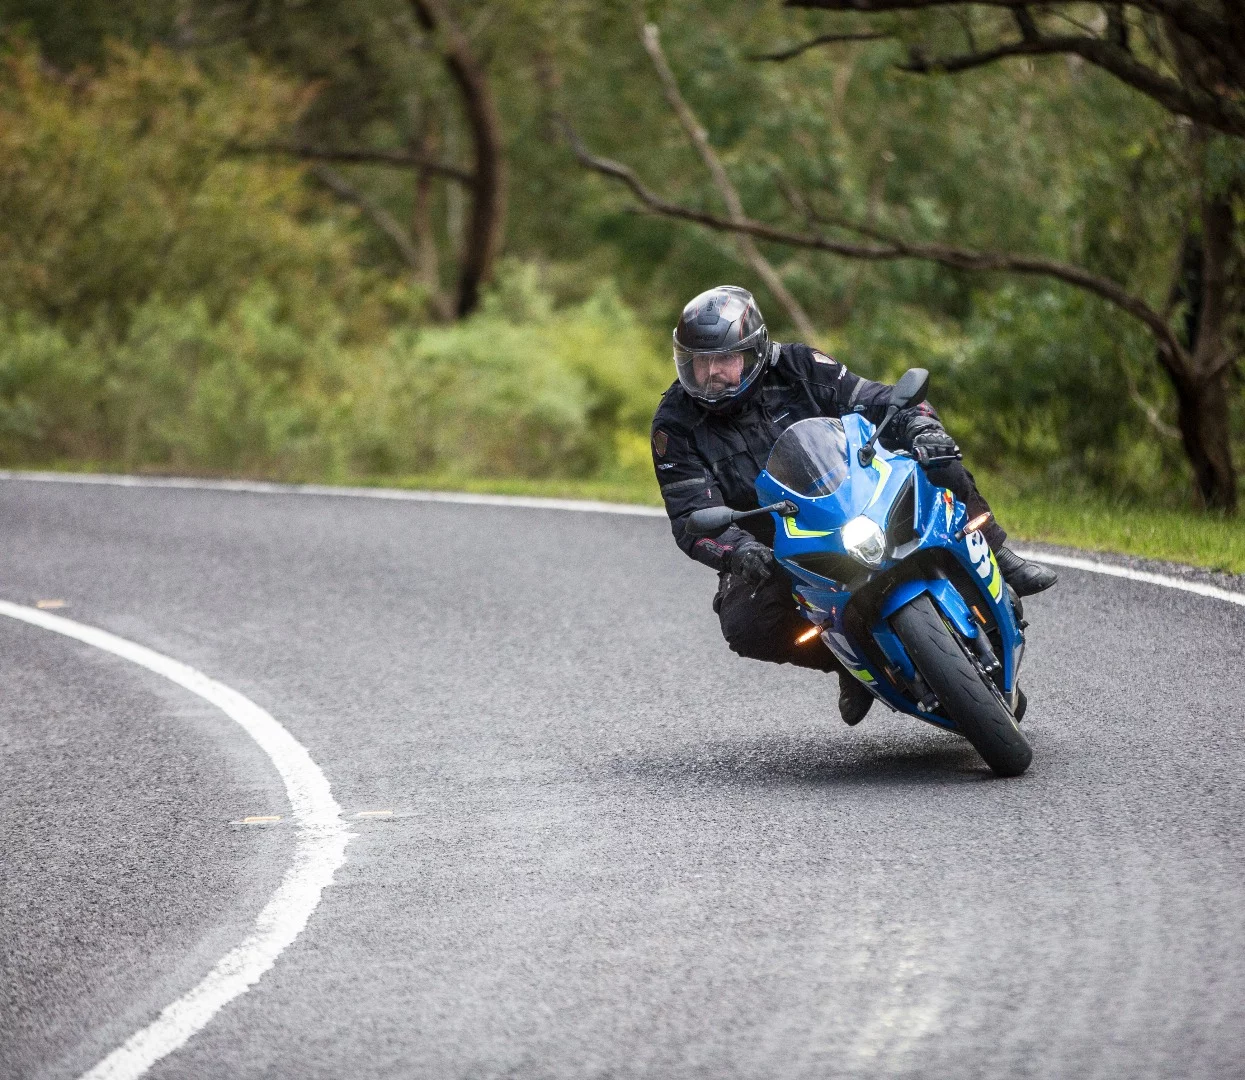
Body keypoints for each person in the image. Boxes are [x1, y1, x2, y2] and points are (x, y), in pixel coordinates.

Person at [651, 285, 1056, 726]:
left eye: (723, 360)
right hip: (778, 540)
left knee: (940, 462)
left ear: (754, 351)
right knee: (746, 623)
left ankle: (997, 551)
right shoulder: (675, 423)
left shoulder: (799, 366)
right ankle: (849, 663)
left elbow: (878, 398)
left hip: (859, 492)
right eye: (699, 362)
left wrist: (920, 426)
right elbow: (691, 514)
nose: (711, 373)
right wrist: (738, 551)